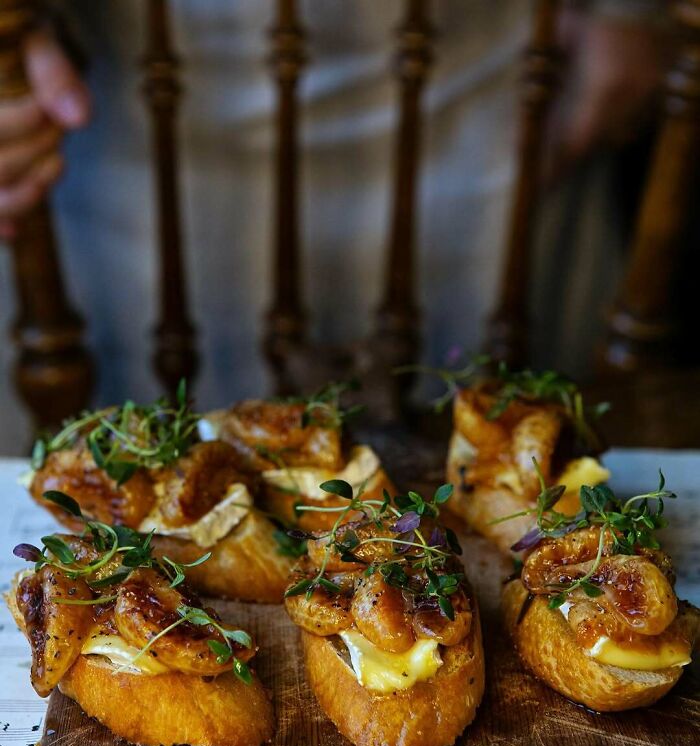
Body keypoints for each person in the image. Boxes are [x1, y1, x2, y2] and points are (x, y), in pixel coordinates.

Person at [0, 0, 667, 451]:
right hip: (123, 132)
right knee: (122, 476)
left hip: (496, 102)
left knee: (532, 469)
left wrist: (633, 12)